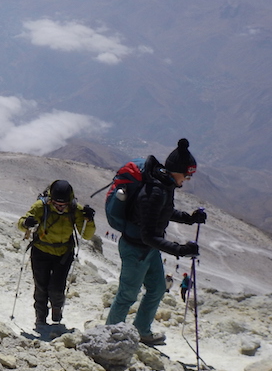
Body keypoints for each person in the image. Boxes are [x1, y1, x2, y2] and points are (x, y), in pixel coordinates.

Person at [106, 138, 207, 344]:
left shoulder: (164, 184)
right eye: (187, 174)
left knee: (158, 288)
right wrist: (180, 250)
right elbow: (148, 234)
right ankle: (109, 337)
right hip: (136, 249)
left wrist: (189, 218)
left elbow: (163, 212)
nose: (188, 179)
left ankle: (141, 330)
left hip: (148, 250)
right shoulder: (154, 191)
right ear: (177, 171)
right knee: (127, 295)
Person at [17, 180, 96, 325]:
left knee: (57, 287)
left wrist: (88, 220)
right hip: (41, 251)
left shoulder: (75, 210)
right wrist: (26, 223)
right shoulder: (40, 207)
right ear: (50, 200)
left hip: (63, 253)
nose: (60, 207)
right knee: (41, 287)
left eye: (63, 204)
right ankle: (40, 317)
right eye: (56, 204)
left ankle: (56, 311)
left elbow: (86, 235)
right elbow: (21, 223)